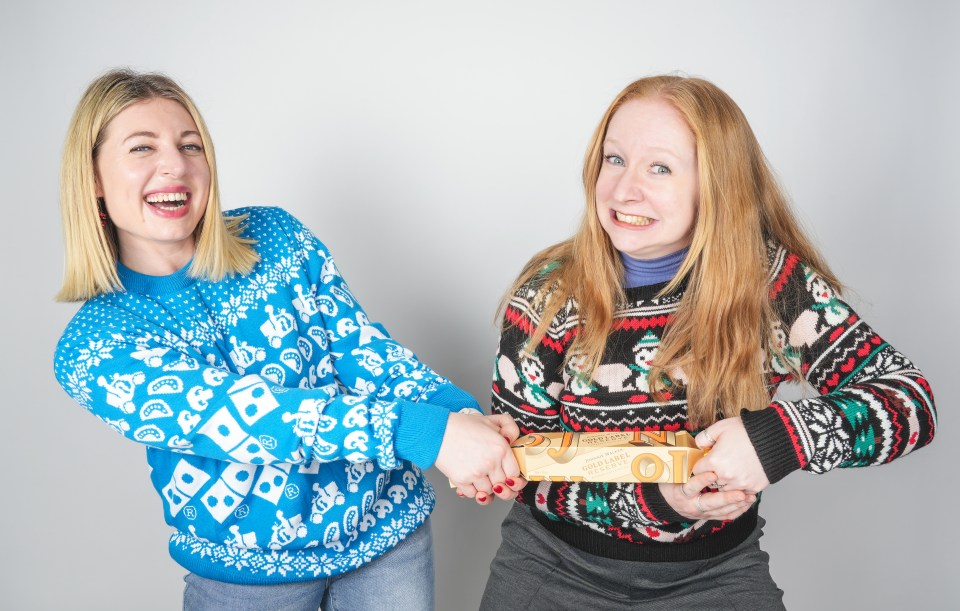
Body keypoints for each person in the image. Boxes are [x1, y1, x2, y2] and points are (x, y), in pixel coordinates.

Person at [53, 68, 523, 611]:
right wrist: (429, 433)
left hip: (389, 547)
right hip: (247, 585)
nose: (175, 166)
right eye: (142, 148)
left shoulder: (274, 236)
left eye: (191, 145)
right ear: (92, 177)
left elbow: (362, 350)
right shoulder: (93, 347)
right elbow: (251, 419)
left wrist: (457, 420)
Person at [480, 75, 937, 610]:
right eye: (614, 158)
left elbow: (912, 403)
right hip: (554, 568)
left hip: (718, 574)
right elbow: (526, 464)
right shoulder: (549, 294)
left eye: (660, 167)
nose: (624, 189)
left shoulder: (772, 287)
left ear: (716, 184)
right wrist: (660, 500)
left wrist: (781, 439)